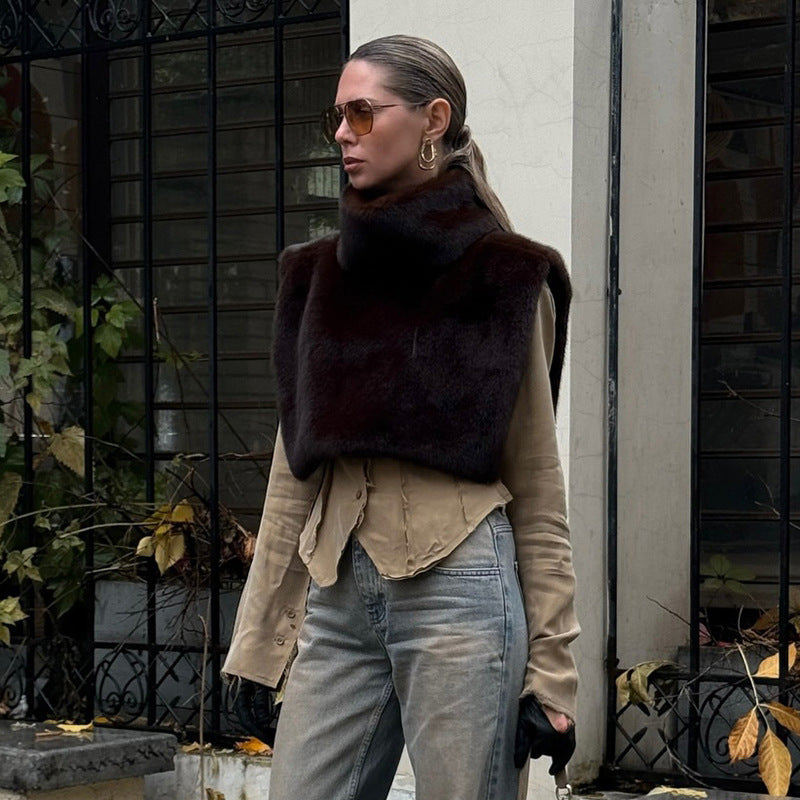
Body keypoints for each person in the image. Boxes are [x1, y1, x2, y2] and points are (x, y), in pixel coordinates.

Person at [223, 34, 579, 800]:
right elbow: (293, 478)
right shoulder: (315, 277)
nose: (343, 133)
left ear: (433, 120)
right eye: (336, 117)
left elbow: (538, 488)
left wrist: (553, 673)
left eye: (362, 112)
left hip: (462, 595)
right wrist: (257, 644)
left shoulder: (506, 276)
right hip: (335, 600)